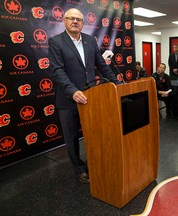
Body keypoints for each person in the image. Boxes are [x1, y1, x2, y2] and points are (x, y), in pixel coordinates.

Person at [48, 8, 121, 184]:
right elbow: (57, 71)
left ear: (82, 23)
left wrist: (118, 85)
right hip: (68, 99)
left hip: (92, 97)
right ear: (64, 21)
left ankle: (95, 164)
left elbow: (102, 66)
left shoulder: (89, 40)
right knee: (71, 137)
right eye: (71, 18)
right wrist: (73, 91)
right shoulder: (56, 42)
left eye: (79, 19)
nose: (75, 21)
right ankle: (79, 169)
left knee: (94, 134)